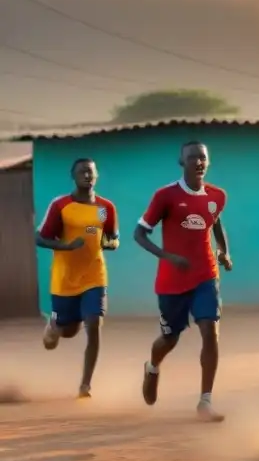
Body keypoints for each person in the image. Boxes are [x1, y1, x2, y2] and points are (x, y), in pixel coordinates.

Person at [134, 141, 232, 422]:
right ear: (182, 162)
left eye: (203, 158)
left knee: (210, 331)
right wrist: (167, 257)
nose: (199, 162)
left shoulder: (217, 196)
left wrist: (224, 251)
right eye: (193, 158)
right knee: (169, 338)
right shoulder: (165, 196)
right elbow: (139, 234)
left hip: (206, 276)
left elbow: (215, 222)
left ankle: (205, 401)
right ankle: (152, 367)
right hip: (172, 282)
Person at [35, 158, 119, 398]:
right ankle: (53, 324)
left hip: (94, 275)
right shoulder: (61, 205)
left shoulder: (105, 208)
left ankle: (85, 385)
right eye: (82, 171)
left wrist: (111, 243)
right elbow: (39, 237)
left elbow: (110, 235)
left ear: (97, 176)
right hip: (65, 279)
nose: (87, 175)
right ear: (73, 176)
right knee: (67, 332)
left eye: (91, 172)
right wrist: (67, 246)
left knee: (94, 324)